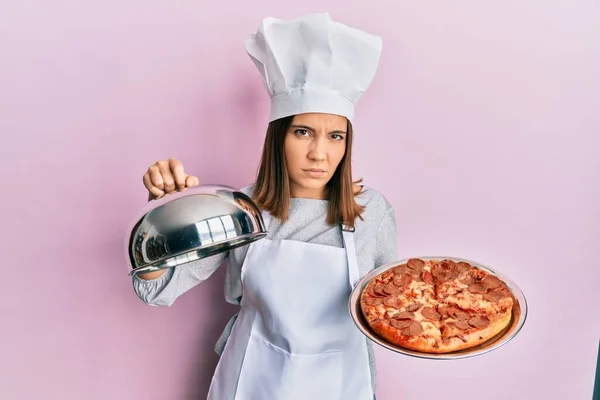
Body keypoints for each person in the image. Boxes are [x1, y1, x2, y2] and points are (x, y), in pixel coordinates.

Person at [133, 12, 398, 400]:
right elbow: (156, 291)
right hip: (252, 382)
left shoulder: (372, 212)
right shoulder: (240, 208)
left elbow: (391, 312)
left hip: (340, 386)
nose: (319, 154)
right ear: (279, 135)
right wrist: (160, 223)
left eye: (336, 136)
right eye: (303, 131)